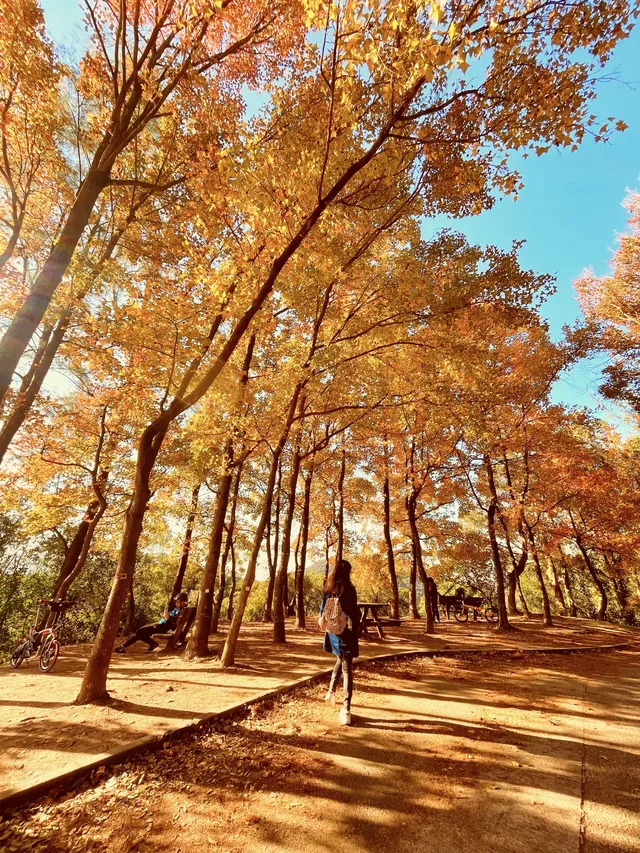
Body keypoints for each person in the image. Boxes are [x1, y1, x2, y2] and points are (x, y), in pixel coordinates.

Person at [319, 559, 360, 726]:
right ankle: (346, 709)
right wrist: (357, 629)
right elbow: (353, 612)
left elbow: (322, 610)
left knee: (339, 659)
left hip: (332, 632)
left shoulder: (328, 588)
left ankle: (330, 692)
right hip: (345, 632)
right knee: (347, 668)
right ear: (347, 572)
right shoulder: (349, 590)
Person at [115, 592, 188, 654]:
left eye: (178, 602)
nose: (176, 603)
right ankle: (124, 646)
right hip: (161, 625)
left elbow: (173, 626)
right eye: (176, 602)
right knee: (140, 632)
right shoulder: (179, 610)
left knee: (140, 632)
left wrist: (167, 618)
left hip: (162, 627)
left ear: (183, 602)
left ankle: (124, 646)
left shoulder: (180, 611)